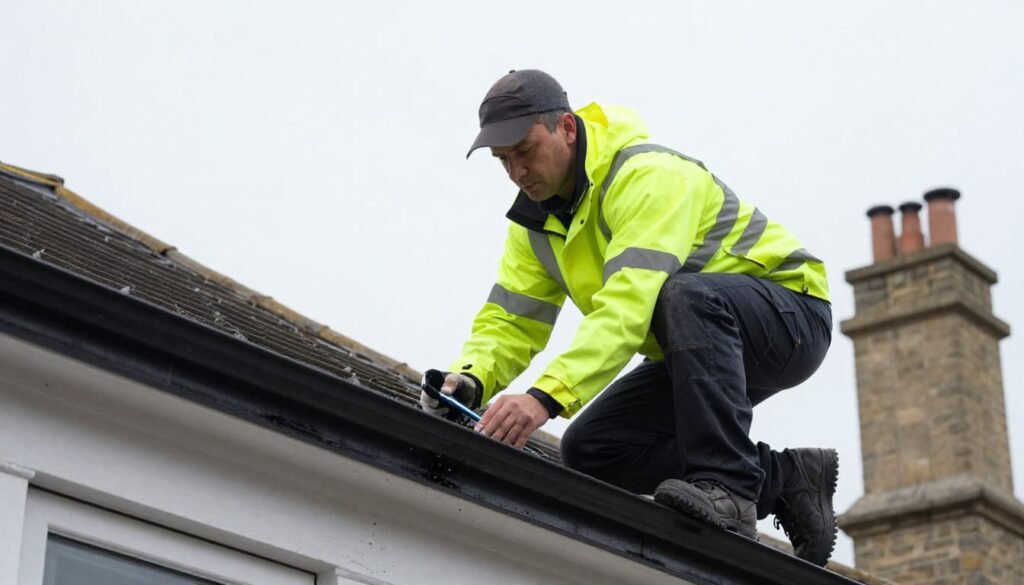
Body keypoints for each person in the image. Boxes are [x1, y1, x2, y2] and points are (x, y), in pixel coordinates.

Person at [420, 69, 838, 566]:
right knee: (593, 449)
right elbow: (512, 320)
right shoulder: (534, 224)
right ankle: (788, 481)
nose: (516, 172)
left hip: (791, 317)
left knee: (679, 294)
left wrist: (544, 397)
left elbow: (627, 305)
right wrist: (470, 381)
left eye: (525, 151)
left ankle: (729, 488)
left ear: (567, 130)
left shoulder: (647, 176)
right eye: (503, 161)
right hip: (702, 345)